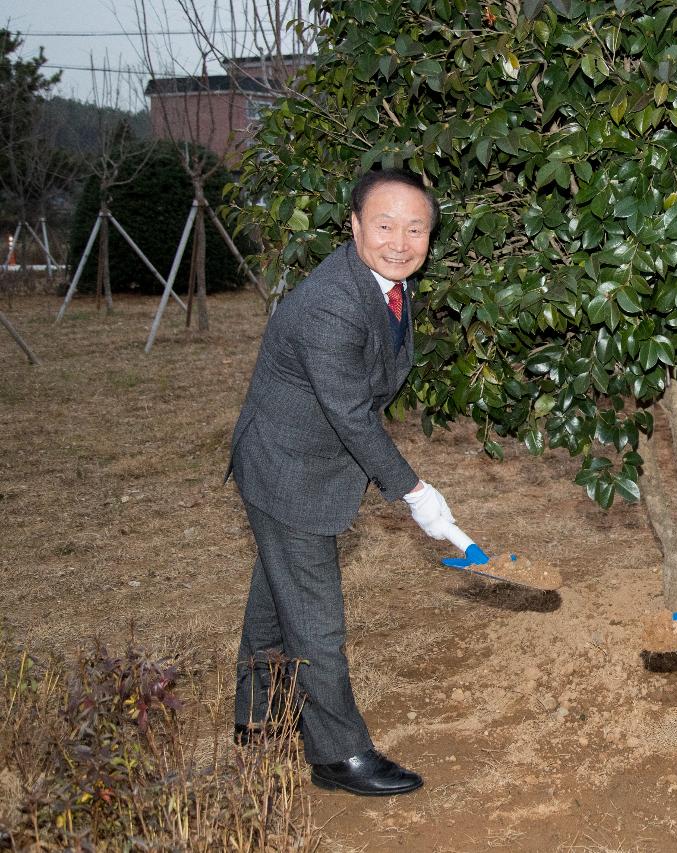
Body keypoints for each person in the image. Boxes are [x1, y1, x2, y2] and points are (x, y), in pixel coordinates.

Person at [226, 167, 458, 797]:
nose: (400, 241)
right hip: (287, 469)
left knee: (277, 596)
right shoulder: (332, 302)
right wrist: (415, 493)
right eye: (383, 225)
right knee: (316, 621)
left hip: (307, 461)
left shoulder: (387, 286)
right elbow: (352, 413)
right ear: (353, 225)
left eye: (416, 229)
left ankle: (255, 718)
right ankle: (337, 754)